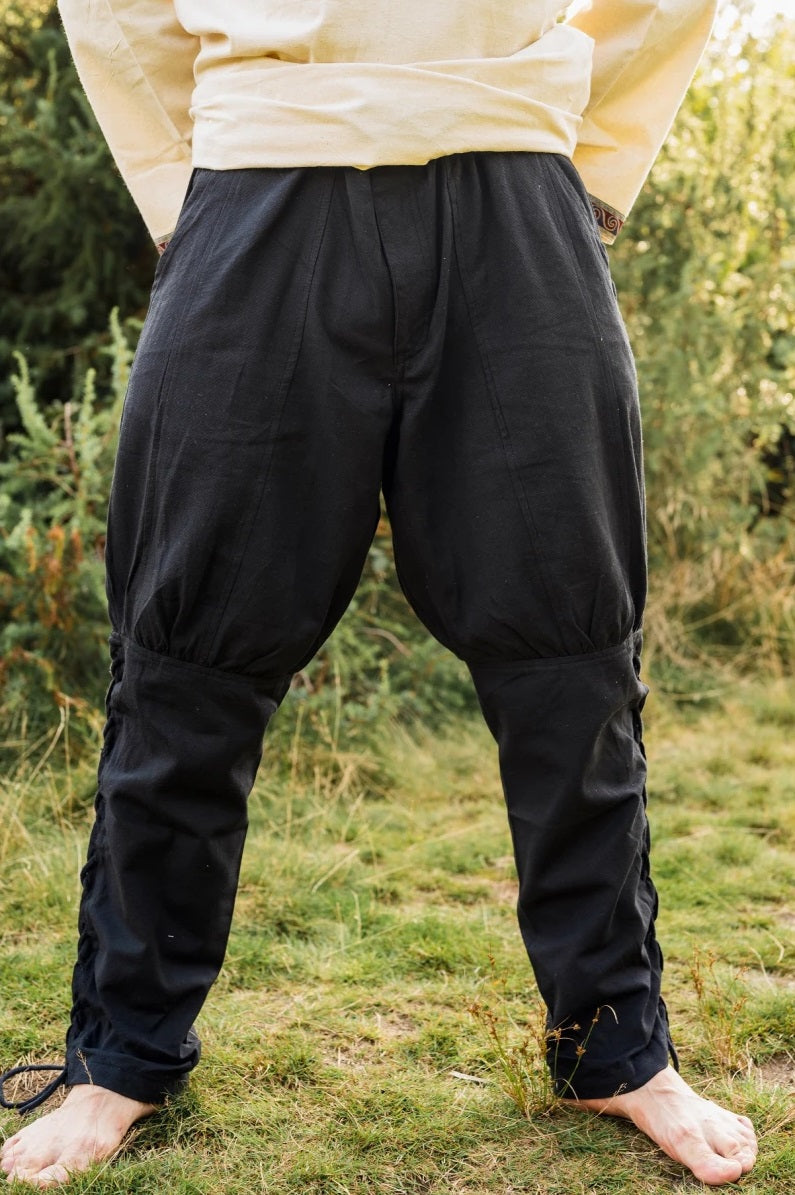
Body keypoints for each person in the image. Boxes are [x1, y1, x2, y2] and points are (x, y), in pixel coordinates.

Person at [0, 1, 758, 1187]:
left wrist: (581, 161)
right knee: (185, 655)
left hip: (517, 180)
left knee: (572, 654)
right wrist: (189, 176)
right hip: (258, 178)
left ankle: (618, 1047)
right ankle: (121, 1055)